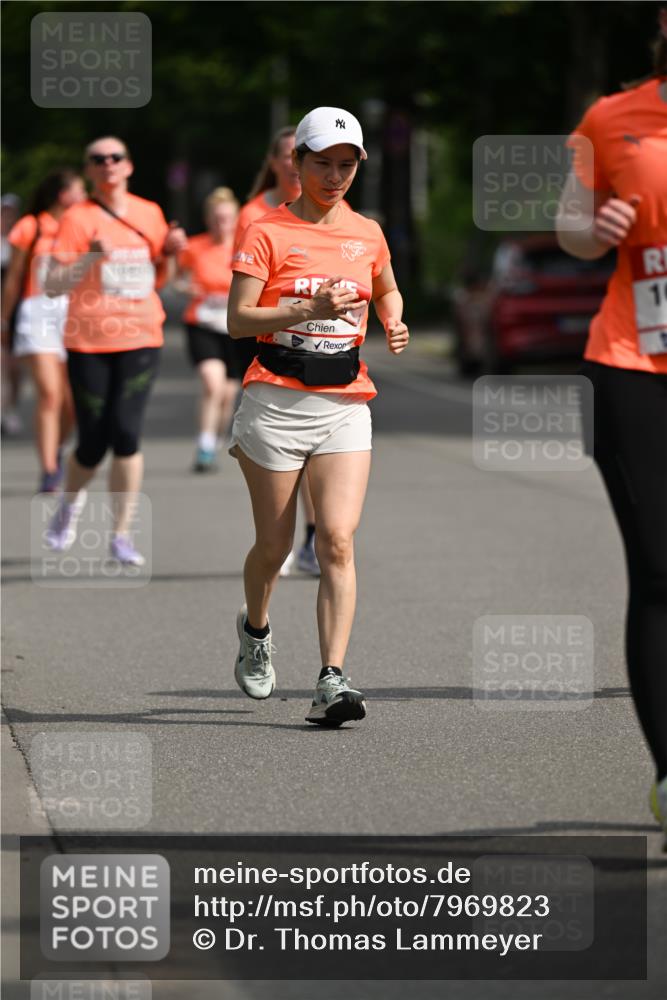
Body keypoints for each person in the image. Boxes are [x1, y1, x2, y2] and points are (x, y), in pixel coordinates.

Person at [227, 107, 409, 725]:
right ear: (297, 163)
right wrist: (304, 312)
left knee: (335, 538)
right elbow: (238, 319)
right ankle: (256, 630)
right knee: (274, 546)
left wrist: (394, 317)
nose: (335, 177)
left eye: (347, 165)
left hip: (345, 402)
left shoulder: (369, 231)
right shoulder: (265, 231)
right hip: (274, 401)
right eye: (323, 164)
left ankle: (332, 677)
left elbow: (384, 284)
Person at [557, 5, 667, 843]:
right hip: (635, 367)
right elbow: (570, 229)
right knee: (661, 573)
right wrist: (595, 231)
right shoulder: (612, 118)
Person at [43, 135, 187, 564]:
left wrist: (174, 254)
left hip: (141, 335)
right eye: (97, 159)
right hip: (88, 339)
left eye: (115, 157)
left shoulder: (150, 213)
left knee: (125, 434)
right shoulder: (77, 217)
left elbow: (161, 276)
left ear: (128, 166)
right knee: (92, 442)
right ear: (88, 170)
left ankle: (121, 534)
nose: (107, 164)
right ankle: (70, 503)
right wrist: (88, 257)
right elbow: (52, 286)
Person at [237, 126, 320, 576]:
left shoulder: (332, 211)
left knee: (312, 447)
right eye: (286, 155)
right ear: (275, 162)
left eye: (299, 154)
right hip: (261, 338)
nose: (293, 162)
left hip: (316, 345)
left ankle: (309, 539)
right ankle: (277, 537)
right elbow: (244, 282)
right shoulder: (253, 214)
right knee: (279, 445)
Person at [1, 170, 86, 491]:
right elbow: (14, 277)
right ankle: (49, 467)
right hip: (37, 312)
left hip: (75, 314)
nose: (83, 194)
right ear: (62, 194)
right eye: (78, 189)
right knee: (49, 394)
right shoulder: (31, 226)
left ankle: (59, 448)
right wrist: (4, 319)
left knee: (71, 402)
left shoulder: (82, 226)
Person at [177, 187, 255, 471]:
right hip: (202, 322)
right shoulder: (195, 247)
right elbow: (176, 278)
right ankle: (204, 445)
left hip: (236, 327)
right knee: (212, 382)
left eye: (226, 217)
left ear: (236, 218)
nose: (221, 223)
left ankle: (214, 441)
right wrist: (187, 288)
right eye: (216, 218)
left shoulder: (246, 246)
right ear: (208, 219)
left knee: (227, 394)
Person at [1, 192, 25, 436]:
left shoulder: (21, 242)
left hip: (17, 311)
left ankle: (11, 408)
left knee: (14, 367)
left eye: (10, 213)